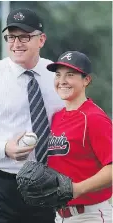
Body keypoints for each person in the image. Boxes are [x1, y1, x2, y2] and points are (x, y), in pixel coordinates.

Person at [0, 8, 64, 223]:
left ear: (41, 39)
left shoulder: (59, 77)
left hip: (45, 184)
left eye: (25, 36)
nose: (16, 43)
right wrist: (4, 148)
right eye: (11, 36)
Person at [46, 51, 112, 223]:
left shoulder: (94, 118)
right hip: (59, 215)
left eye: (70, 75)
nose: (62, 81)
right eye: (58, 75)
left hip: (90, 216)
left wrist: (76, 189)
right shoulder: (56, 117)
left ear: (86, 80)